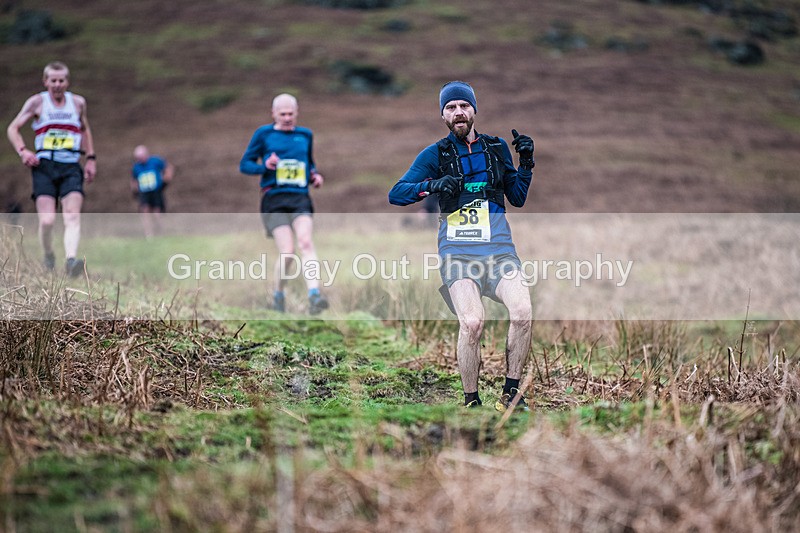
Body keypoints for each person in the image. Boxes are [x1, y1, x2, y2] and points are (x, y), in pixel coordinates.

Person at [388, 81, 536, 412]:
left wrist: (525, 161)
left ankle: (511, 393)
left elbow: (518, 197)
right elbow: (396, 193)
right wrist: (431, 185)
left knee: (523, 313)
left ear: (474, 110)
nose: (458, 112)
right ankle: (471, 400)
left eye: (464, 106)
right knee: (472, 322)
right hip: (459, 255)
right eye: (451, 107)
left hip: (500, 252)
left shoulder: (496, 148)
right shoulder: (435, 154)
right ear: (442, 115)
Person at [239, 93, 329, 315]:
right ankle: (278, 294)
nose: (287, 118)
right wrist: (265, 167)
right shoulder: (263, 134)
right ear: (273, 114)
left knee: (306, 242)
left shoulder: (305, 135)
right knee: (288, 252)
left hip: (300, 197)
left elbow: (309, 164)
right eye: (283, 114)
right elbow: (245, 165)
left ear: (297, 112)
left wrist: (314, 176)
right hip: (274, 198)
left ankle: (314, 295)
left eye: (291, 114)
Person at [6, 61, 96, 277]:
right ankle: (48, 255)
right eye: (53, 80)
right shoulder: (37, 102)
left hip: (71, 165)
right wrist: (23, 151)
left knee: (72, 215)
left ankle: (71, 261)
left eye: (61, 80)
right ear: (45, 82)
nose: (57, 84)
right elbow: (13, 128)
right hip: (44, 166)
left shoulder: (77, 103)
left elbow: (85, 129)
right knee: (47, 220)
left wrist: (91, 158)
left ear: (67, 82)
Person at [131, 144, 174, 238]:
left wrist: (166, 179)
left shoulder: (155, 161)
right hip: (144, 193)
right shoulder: (136, 167)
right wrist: (135, 190)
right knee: (145, 212)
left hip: (156, 191)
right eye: (138, 158)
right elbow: (134, 180)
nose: (140, 159)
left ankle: (161, 232)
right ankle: (149, 235)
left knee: (157, 213)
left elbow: (168, 168)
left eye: (141, 157)